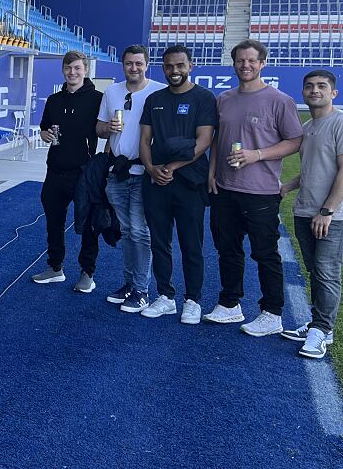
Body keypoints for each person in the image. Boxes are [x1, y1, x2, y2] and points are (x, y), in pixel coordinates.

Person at [206, 39, 304, 335]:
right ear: (233, 63)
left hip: (260, 191)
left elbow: (295, 141)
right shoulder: (224, 99)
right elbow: (216, 141)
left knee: (265, 253)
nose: (245, 65)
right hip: (224, 188)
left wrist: (256, 155)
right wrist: (212, 173)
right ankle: (230, 304)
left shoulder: (279, 100)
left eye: (251, 61)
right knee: (227, 249)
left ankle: (272, 312)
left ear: (262, 64)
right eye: (240, 61)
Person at [280, 70, 343, 358]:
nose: (315, 90)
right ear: (303, 92)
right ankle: (318, 323)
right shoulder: (309, 126)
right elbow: (311, 171)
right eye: (309, 86)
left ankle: (321, 331)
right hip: (305, 211)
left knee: (327, 272)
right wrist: (287, 187)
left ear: (334, 93)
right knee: (315, 271)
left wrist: (327, 210)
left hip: (335, 217)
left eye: (321, 86)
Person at [137, 45, 218, 324]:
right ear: (163, 68)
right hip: (157, 182)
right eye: (169, 66)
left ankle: (193, 300)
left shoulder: (204, 98)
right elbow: (145, 139)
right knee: (160, 242)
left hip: (189, 182)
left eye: (180, 65)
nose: (175, 71)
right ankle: (165, 296)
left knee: (191, 244)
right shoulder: (154, 99)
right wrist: (151, 168)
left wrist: (171, 167)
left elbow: (204, 141)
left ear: (190, 66)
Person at [95, 45, 166, 313]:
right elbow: (100, 128)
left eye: (138, 63)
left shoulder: (158, 91)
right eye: (128, 64)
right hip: (117, 172)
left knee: (139, 231)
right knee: (126, 232)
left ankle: (142, 289)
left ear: (147, 65)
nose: (133, 68)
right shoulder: (112, 91)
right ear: (122, 65)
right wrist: (107, 128)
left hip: (144, 172)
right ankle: (129, 284)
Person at [31, 51, 103, 293]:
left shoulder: (97, 99)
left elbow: (104, 130)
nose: (72, 72)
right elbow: (42, 129)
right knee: (53, 221)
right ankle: (55, 267)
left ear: (85, 70)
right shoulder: (53, 100)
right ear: (63, 70)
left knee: (88, 225)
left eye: (76, 68)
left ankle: (87, 273)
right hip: (55, 170)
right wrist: (45, 135)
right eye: (68, 68)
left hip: (84, 172)